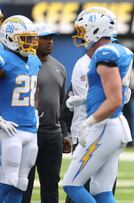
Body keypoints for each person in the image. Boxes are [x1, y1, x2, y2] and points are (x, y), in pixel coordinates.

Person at [62, 7, 133, 202]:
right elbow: (112, 93)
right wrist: (85, 99)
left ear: (96, 29)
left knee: (71, 185)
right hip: (114, 124)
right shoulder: (119, 50)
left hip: (103, 125)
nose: (80, 35)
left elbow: (115, 99)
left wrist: (88, 122)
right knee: (102, 190)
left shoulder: (105, 53)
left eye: (84, 29)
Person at [63, 34, 120, 203]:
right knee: (95, 190)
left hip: (100, 129)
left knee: (79, 186)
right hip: (93, 131)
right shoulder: (85, 65)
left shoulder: (107, 64)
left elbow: (114, 98)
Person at [21, 23, 70, 203]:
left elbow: (62, 105)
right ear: (34, 39)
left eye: (51, 38)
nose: (49, 42)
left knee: (51, 185)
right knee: (24, 183)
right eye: (45, 38)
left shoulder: (60, 68)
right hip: (30, 132)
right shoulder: (24, 65)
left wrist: (65, 133)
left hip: (53, 134)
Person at [0, 15, 40, 203]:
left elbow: (34, 90)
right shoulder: (3, 59)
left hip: (30, 127)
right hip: (9, 127)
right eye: (24, 38)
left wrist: (34, 109)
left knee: (22, 183)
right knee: (8, 180)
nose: (30, 43)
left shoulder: (33, 61)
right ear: (9, 38)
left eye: (31, 38)